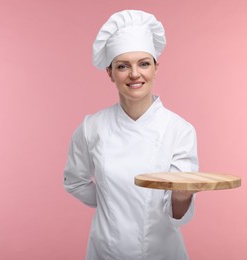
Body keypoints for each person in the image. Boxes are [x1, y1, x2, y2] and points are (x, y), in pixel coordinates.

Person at [63, 10, 199, 260]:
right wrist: (109, 200)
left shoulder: (179, 130)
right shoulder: (91, 127)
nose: (134, 74)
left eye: (144, 64)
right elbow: (74, 181)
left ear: (156, 68)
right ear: (110, 73)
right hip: (106, 251)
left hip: (163, 253)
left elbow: (177, 213)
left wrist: (183, 195)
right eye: (123, 66)